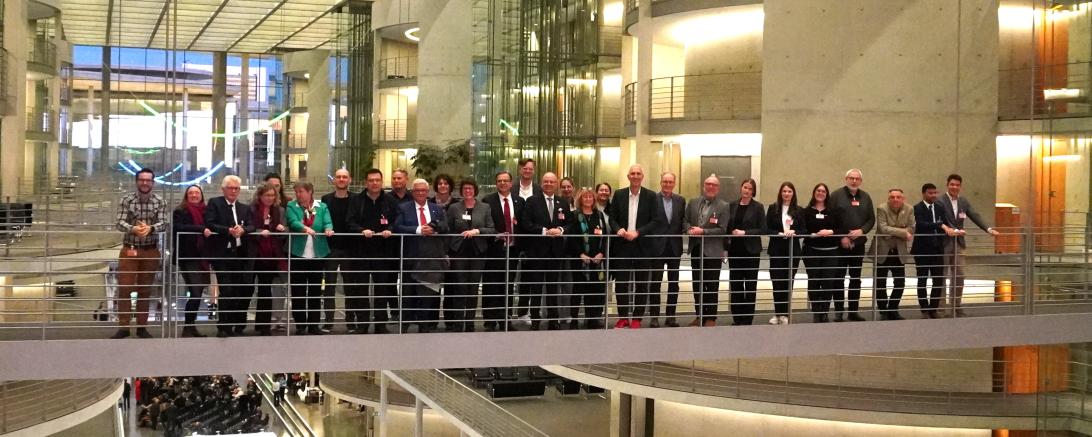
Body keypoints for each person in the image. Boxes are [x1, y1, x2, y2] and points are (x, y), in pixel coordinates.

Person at [112, 168, 167, 339]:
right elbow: (120, 223)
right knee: (125, 288)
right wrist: (133, 229)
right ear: (137, 182)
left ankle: (142, 327)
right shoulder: (126, 200)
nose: (145, 183)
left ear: (153, 182)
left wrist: (150, 229)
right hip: (130, 249)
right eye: (142, 180)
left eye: (148, 180)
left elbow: (164, 223)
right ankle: (124, 327)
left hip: (150, 250)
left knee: (145, 290)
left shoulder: (160, 201)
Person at [609, 164, 666, 329]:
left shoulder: (651, 196)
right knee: (621, 283)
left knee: (642, 283)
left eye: (638, 173)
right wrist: (618, 229)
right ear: (628, 177)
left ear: (642, 177)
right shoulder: (619, 195)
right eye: (632, 173)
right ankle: (622, 317)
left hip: (643, 246)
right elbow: (612, 218)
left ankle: (637, 318)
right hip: (622, 245)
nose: (635, 176)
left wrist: (638, 232)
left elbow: (656, 221)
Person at [936, 174, 1000, 317]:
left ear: (960, 186)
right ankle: (940, 309)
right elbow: (937, 220)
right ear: (947, 185)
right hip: (943, 243)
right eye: (952, 184)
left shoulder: (963, 201)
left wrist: (988, 229)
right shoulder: (940, 201)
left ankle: (956, 306)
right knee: (941, 275)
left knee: (959, 275)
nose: (955, 187)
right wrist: (947, 229)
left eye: (957, 185)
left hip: (959, 243)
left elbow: (974, 215)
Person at [346, 168, 401, 334]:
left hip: (383, 252)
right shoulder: (356, 200)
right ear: (366, 183)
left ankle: (380, 324)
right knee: (361, 289)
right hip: (361, 252)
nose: (374, 183)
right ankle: (362, 324)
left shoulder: (390, 200)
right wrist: (361, 230)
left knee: (382, 290)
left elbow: (397, 220)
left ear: (381, 181)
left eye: (377, 180)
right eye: (371, 180)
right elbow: (349, 222)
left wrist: (390, 229)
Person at [394, 179, 450, 333]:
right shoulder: (403, 208)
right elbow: (398, 227)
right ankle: (403, 325)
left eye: (423, 191)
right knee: (407, 293)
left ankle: (424, 326)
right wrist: (418, 230)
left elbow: (445, 226)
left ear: (428, 192)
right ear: (413, 192)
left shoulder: (436, 209)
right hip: (410, 256)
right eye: (417, 190)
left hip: (430, 259)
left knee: (427, 295)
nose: (420, 193)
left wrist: (435, 228)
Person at [519, 172, 571, 330]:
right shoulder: (531, 201)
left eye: (552, 182)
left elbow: (570, 223)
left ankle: (553, 319)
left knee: (552, 287)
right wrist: (544, 231)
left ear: (556, 184)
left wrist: (561, 229)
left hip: (555, 252)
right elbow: (526, 223)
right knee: (536, 287)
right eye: (546, 181)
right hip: (536, 251)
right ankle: (535, 320)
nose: (548, 184)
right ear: (541, 183)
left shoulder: (562, 202)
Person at [205, 175, 255, 338]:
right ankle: (223, 326)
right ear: (223, 189)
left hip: (240, 254)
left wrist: (244, 230)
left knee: (238, 290)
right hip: (222, 254)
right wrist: (228, 230)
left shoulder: (244, 208)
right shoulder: (215, 203)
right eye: (230, 188)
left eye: (236, 188)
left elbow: (252, 225)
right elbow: (210, 223)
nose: (234, 191)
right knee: (226, 290)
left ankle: (235, 325)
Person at [285, 181, 335, 335]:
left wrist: (328, 229)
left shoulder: (322, 207)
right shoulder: (292, 206)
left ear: (310, 192)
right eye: (296, 192)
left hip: (317, 254)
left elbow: (327, 222)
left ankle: (314, 324)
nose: (298, 195)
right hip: (298, 254)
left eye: (301, 191)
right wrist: (306, 228)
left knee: (315, 291)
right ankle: (300, 324)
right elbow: (293, 222)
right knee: (298, 291)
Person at [445, 178, 495, 332]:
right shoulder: (454, 208)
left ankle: (470, 322)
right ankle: (458, 322)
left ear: (475, 190)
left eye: (470, 188)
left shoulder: (485, 207)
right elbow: (447, 229)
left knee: (473, 288)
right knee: (460, 286)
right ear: (461, 191)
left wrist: (477, 231)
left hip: (478, 252)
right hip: (458, 252)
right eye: (465, 188)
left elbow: (492, 229)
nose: (468, 191)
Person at [827, 168, 875, 322]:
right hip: (840, 244)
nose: (854, 181)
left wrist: (862, 230)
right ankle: (839, 312)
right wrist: (842, 236)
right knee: (838, 278)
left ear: (860, 181)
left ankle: (853, 311)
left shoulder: (866, 197)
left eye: (857, 179)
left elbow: (871, 219)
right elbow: (830, 218)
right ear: (845, 179)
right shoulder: (835, 196)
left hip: (858, 245)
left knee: (856, 278)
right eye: (851, 178)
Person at [480, 171, 525, 331]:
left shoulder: (519, 201)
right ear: (496, 183)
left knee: (508, 286)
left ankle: (505, 319)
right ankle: (490, 321)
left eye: (506, 181)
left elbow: (522, 225)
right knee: (492, 286)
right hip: (494, 249)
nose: (503, 183)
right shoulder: (488, 201)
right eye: (499, 181)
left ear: (511, 183)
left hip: (512, 250)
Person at [684, 175, 729, 327]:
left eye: (714, 185)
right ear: (704, 186)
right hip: (696, 249)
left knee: (711, 285)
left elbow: (722, 230)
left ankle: (711, 317)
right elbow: (685, 220)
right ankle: (699, 315)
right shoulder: (693, 202)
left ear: (718, 188)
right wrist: (689, 229)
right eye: (708, 184)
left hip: (713, 251)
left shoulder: (723, 206)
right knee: (697, 284)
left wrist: (702, 231)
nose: (710, 187)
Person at [566, 187, 611, 329]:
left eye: (590, 197)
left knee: (596, 290)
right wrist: (580, 254)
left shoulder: (599, 215)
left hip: (597, 261)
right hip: (580, 261)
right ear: (580, 199)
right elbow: (571, 238)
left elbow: (605, 238)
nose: (588, 199)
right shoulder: (574, 216)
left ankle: (593, 318)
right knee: (578, 289)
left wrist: (601, 254)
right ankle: (574, 318)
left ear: (594, 199)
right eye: (585, 197)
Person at [247, 183, 287, 336]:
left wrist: (282, 229)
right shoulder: (251, 209)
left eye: (272, 195)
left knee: (265, 290)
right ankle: (239, 324)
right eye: (267, 195)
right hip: (254, 254)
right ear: (260, 196)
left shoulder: (280, 211)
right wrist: (258, 231)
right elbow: (248, 228)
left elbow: (286, 229)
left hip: (271, 255)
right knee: (248, 289)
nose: (270, 198)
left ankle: (264, 325)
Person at [172, 185, 213, 337]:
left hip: (203, 257)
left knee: (199, 292)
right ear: (186, 195)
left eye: (197, 192)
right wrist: (200, 229)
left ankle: (190, 326)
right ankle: (188, 327)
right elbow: (178, 228)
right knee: (195, 292)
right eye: (191, 193)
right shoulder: (180, 211)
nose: (194, 195)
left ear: (201, 195)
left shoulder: (207, 211)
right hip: (188, 257)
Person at [726, 178, 765, 326]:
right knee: (735, 285)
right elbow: (727, 227)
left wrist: (745, 232)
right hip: (735, 251)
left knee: (750, 285)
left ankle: (747, 319)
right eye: (744, 187)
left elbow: (763, 228)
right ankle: (737, 318)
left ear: (753, 191)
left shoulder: (758, 207)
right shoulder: (732, 205)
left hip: (751, 252)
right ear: (741, 188)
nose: (746, 190)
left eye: (749, 188)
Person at [871, 188, 915, 321]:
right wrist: (902, 232)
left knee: (900, 282)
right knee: (880, 282)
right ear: (888, 198)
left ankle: (893, 308)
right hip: (882, 250)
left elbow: (912, 227)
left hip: (898, 251)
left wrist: (896, 231)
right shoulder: (881, 208)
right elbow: (883, 229)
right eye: (892, 197)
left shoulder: (909, 209)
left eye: (898, 197)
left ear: (903, 198)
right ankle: (883, 310)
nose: (895, 199)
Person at [765, 182, 805, 325]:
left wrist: (794, 232)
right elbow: (766, 229)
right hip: (776, 250)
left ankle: (786, 314)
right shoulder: (772, 208)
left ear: (793, 193)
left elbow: (804, 231)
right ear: (780, 193)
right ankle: (777, 314)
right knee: (777, 282)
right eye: (784, 191)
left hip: (792, 251)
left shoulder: (799, 210)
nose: (786, 194)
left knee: (788, 282)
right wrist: (779, 233)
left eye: (789, 191)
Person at [802, 183, 843, 323]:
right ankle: (816, 311)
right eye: (818, 190)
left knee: (828, 282)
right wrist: (811, 235)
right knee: (813, 282)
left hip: (831, 253)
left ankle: (824, 312)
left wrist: (830, 232)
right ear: (814, 193)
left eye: (823, 191)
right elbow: (802, 230)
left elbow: (841, 229)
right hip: (811, 252)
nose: (820, 193)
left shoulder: (834, 211)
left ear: (827, 194)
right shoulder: (806, 211)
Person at [321, 169, 356, 333]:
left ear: (350, 180)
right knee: (329, 287)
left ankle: (351, 323)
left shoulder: (356, 199)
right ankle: (328, 323)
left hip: (350, 249)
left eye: (344, 177)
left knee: (350, 287)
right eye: (339, 177)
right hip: (331, 248)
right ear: (334, 180)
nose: (341, 179)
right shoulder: (325, 199)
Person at [649, 172, 685, 327]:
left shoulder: (680, 200)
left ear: (674, 183)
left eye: (670, 182)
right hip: (657, 246)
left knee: (673, 283)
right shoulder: (652, 199)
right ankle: (654, 317)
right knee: (655, 282)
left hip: (674, 247)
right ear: (660, 182)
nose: (668, 184)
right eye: (665, 181)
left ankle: (671, 316)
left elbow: (683, 220)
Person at [911, 183, 946, 319]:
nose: (933, 196)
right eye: (930, 193)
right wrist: (938, 224)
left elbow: (944, 224)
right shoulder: (917, 208)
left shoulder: (939, 207)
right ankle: (924, 309)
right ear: (924, 193)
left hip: (937, 249)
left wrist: (945, 229)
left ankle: (933, 308)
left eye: (935, 193)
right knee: (922, 279)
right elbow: (921, 225)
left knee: (938, 280)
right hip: (922, 250)